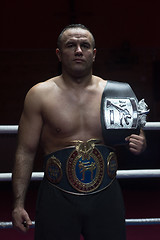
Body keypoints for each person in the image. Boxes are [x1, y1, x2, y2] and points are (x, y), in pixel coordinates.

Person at [12, 24, 146, 240]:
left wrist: (141, 144)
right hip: (57, 198)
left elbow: (137, 136)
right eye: (71, 45)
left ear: (93, 54)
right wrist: (18, 204)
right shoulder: (39, 95)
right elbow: (25, 151)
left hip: (106, 196)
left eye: (85, 45)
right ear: (59, 53)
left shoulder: (116, 93)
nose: (78, 50)